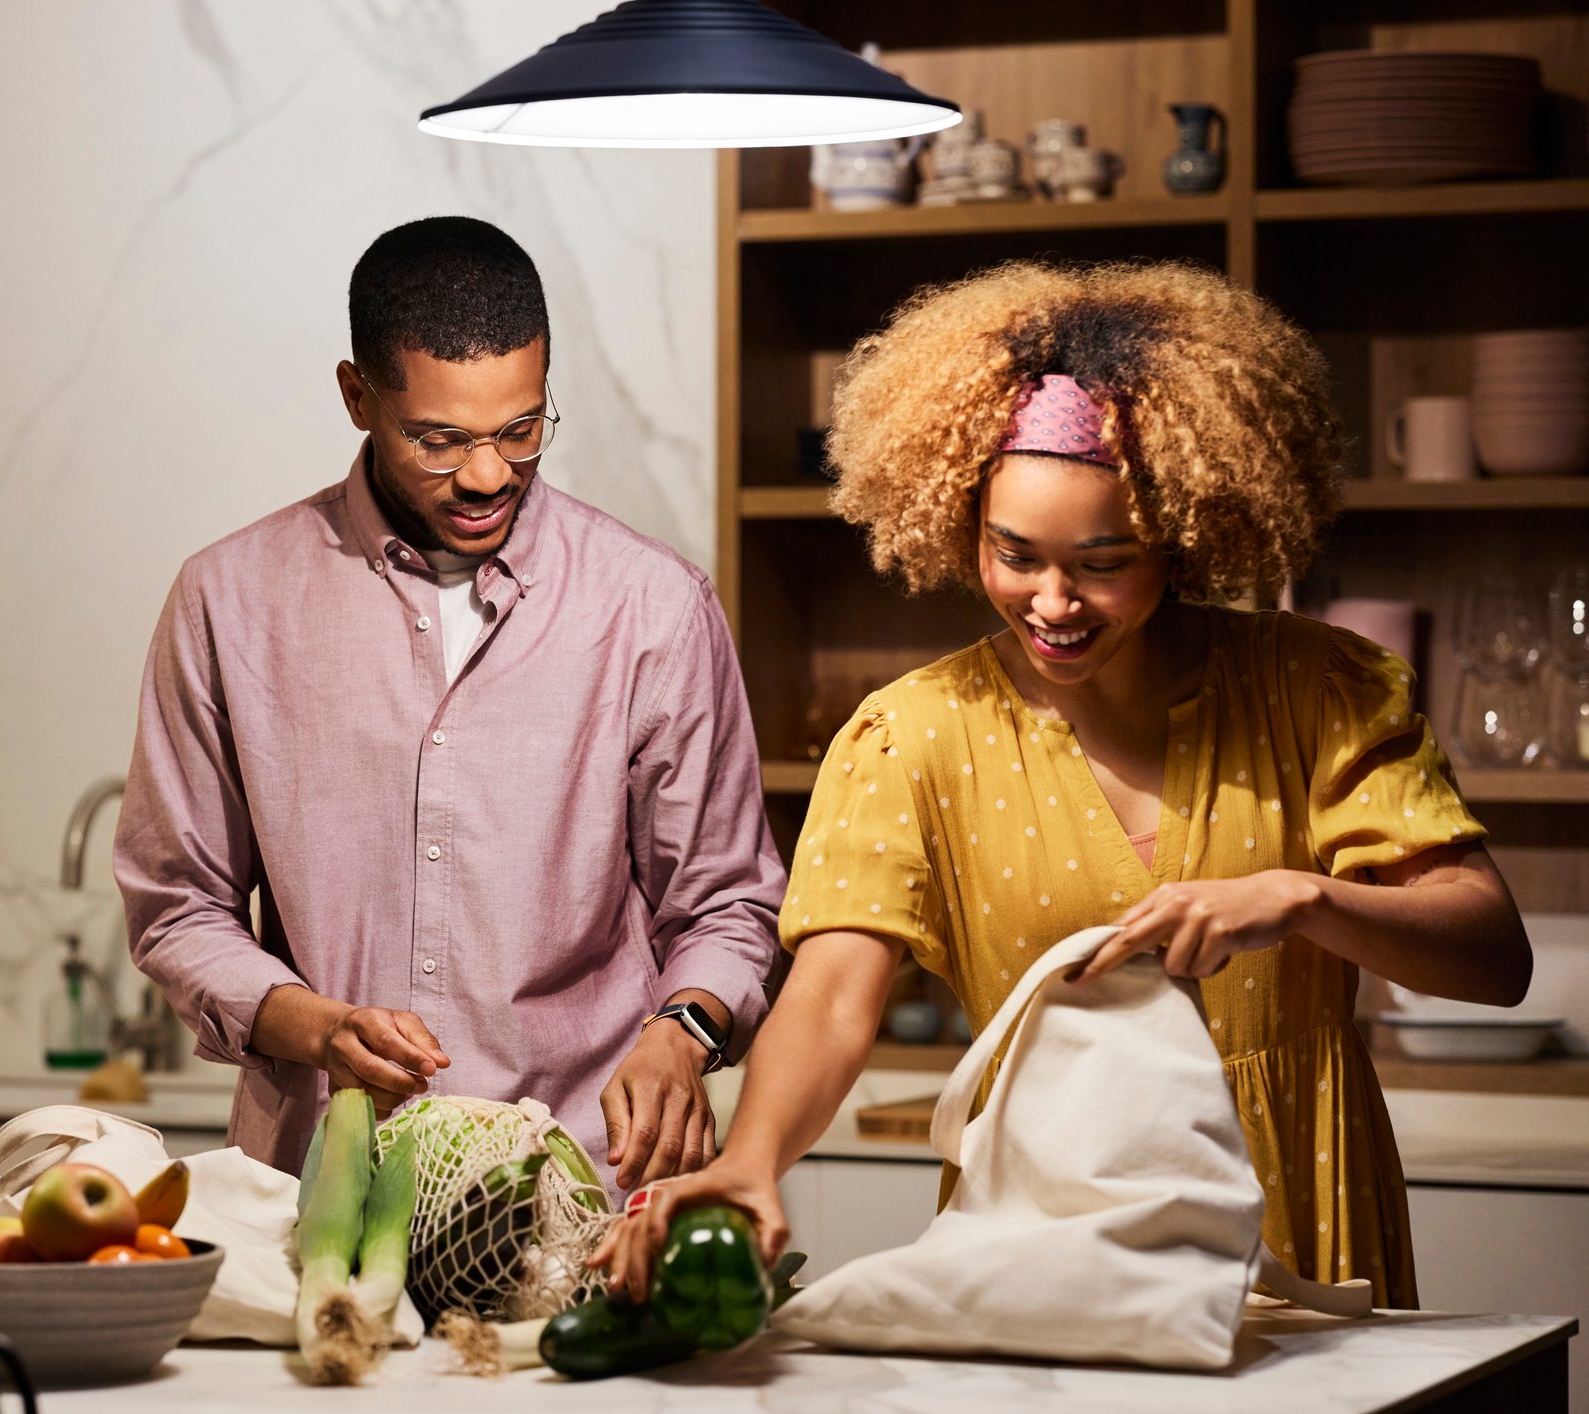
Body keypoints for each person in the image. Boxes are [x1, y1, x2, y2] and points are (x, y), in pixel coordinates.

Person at [596, 260, 1531, 1306]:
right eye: (1012, 553)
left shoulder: (1317, 688)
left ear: (1179, 530)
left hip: (1302, 1212)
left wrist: (1303, 897)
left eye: (1101, 559)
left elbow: (1493, 954)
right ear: (960, 525)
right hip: (1044, 1236)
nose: (1051, 601)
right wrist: (751, 1156)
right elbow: (828, 995)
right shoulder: (909, 737)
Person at [115, 215, 784, 1193]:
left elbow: (724, 902)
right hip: (322, 1197)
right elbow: (177, 909)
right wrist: (319, 1026)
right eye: (440, 440)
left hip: (584, 1198)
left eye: (520, 430)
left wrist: (682, 1033)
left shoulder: (650, 605)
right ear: (357, 395)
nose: (485, 476)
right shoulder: (230, 600)